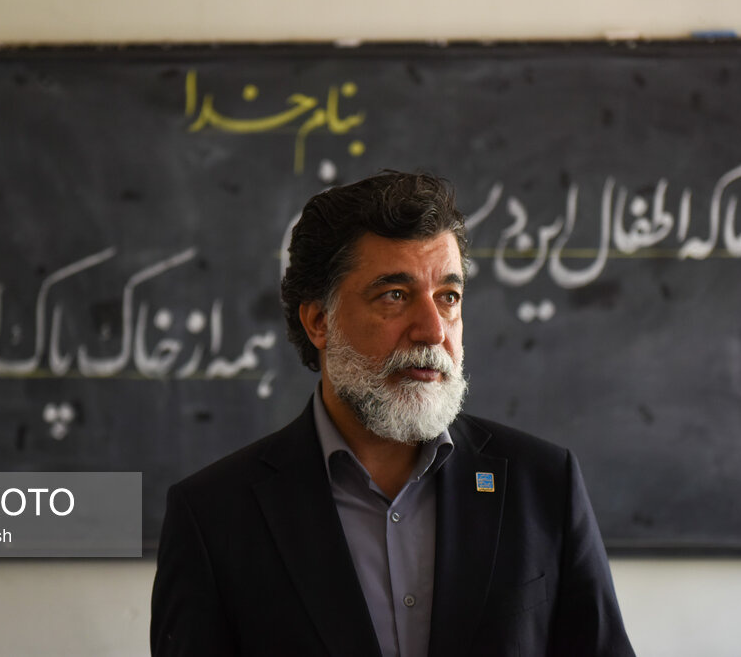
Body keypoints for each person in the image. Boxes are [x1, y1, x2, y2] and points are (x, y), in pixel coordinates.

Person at [151, 171, 634, 656]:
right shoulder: (214, 518)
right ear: (319, 321)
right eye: (395, 296)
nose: (432, 331)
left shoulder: (545, 485)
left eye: (448, 298)